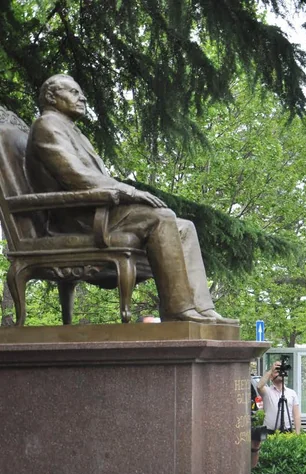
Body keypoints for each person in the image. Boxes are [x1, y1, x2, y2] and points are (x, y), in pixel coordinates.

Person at [25, 74, 236, 325]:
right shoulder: (47, 125)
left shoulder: (71, 130)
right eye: (73, 92)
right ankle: (177, 310)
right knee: (162, 218)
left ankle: (202, 309)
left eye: (80, 92)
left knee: (184, 228)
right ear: (51, 97)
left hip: (93, 211)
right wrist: (131, 192)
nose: (82, 97)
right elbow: (76, 176)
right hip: (76, 219)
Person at [258, 360, 300, 434]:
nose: (279, 373)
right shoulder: (267, 391)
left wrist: (297, 433)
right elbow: (259, 386)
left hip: (287, 431)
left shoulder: (292, 393)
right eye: (277, 371)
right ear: (271, 377)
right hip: (269, 431)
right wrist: (271, 370)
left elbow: (296, 415)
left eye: (280, 371)